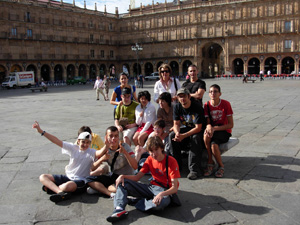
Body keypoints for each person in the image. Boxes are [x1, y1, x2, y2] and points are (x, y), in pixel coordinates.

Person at [106, 136, 180, 223]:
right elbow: (137, 177)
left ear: (162, 148)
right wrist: (123, 176)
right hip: (152, 187)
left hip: (165, 190)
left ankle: (136, 201)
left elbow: (174, 188)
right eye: (151, 151)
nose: (154, 154)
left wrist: (161, 194)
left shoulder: (171, 161)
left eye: (156, 150)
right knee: (123, 183)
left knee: (160, 204)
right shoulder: (149, 159)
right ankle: (119, 209)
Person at [32, 121, 104, 203]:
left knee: (68, 186)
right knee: (43, 177)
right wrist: (41, 131)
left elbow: (101, 152)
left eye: (87, 142)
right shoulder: (73, 147)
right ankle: (60, 192)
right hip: (68, 176)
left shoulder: (91, 152)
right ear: (78, 141)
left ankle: (53, 188)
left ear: (90, 143)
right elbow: (56, 141)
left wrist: (108, 145)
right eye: (83, 142)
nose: (85, 144)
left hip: (81, 180)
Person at [86, 126, 138, 197]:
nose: (113, 138)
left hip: (126, 177)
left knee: (113, 187)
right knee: (88, 179)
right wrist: (102, 159)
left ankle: (102, 189)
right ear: (106, 137)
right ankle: (109, 192)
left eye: (116, 136)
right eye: (111, 136)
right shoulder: (105, 150)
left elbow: (135, 166)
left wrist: (125, 153)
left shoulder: (125, 147)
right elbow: (92, 168)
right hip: (114, 176)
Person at [167, 88, 205, 180]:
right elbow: (176, 124)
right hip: (186, 129)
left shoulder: (197, 107)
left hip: (197, 131)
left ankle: (194, 170)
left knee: (195, 138)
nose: (182, 99)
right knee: (172, 136)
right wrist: (177, 134)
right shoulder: (177, 106)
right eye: (180, 97)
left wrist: (184, 136)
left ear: (188, 96)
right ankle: (177, 166)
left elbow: (198, 128)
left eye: (184, 96)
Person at [203, 84, 234, 178]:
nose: (213, 93)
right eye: (211, 91)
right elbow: (208, 121)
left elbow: (230, 125)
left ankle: (221, 166)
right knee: (205, 136)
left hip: (224, 131)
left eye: (215, 91)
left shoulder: (226, 104)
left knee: (214, 145)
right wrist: (208, 127)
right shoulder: (207, 105)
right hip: (213, 130)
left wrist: (214, 128)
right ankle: (210, 161)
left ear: (220, 93)